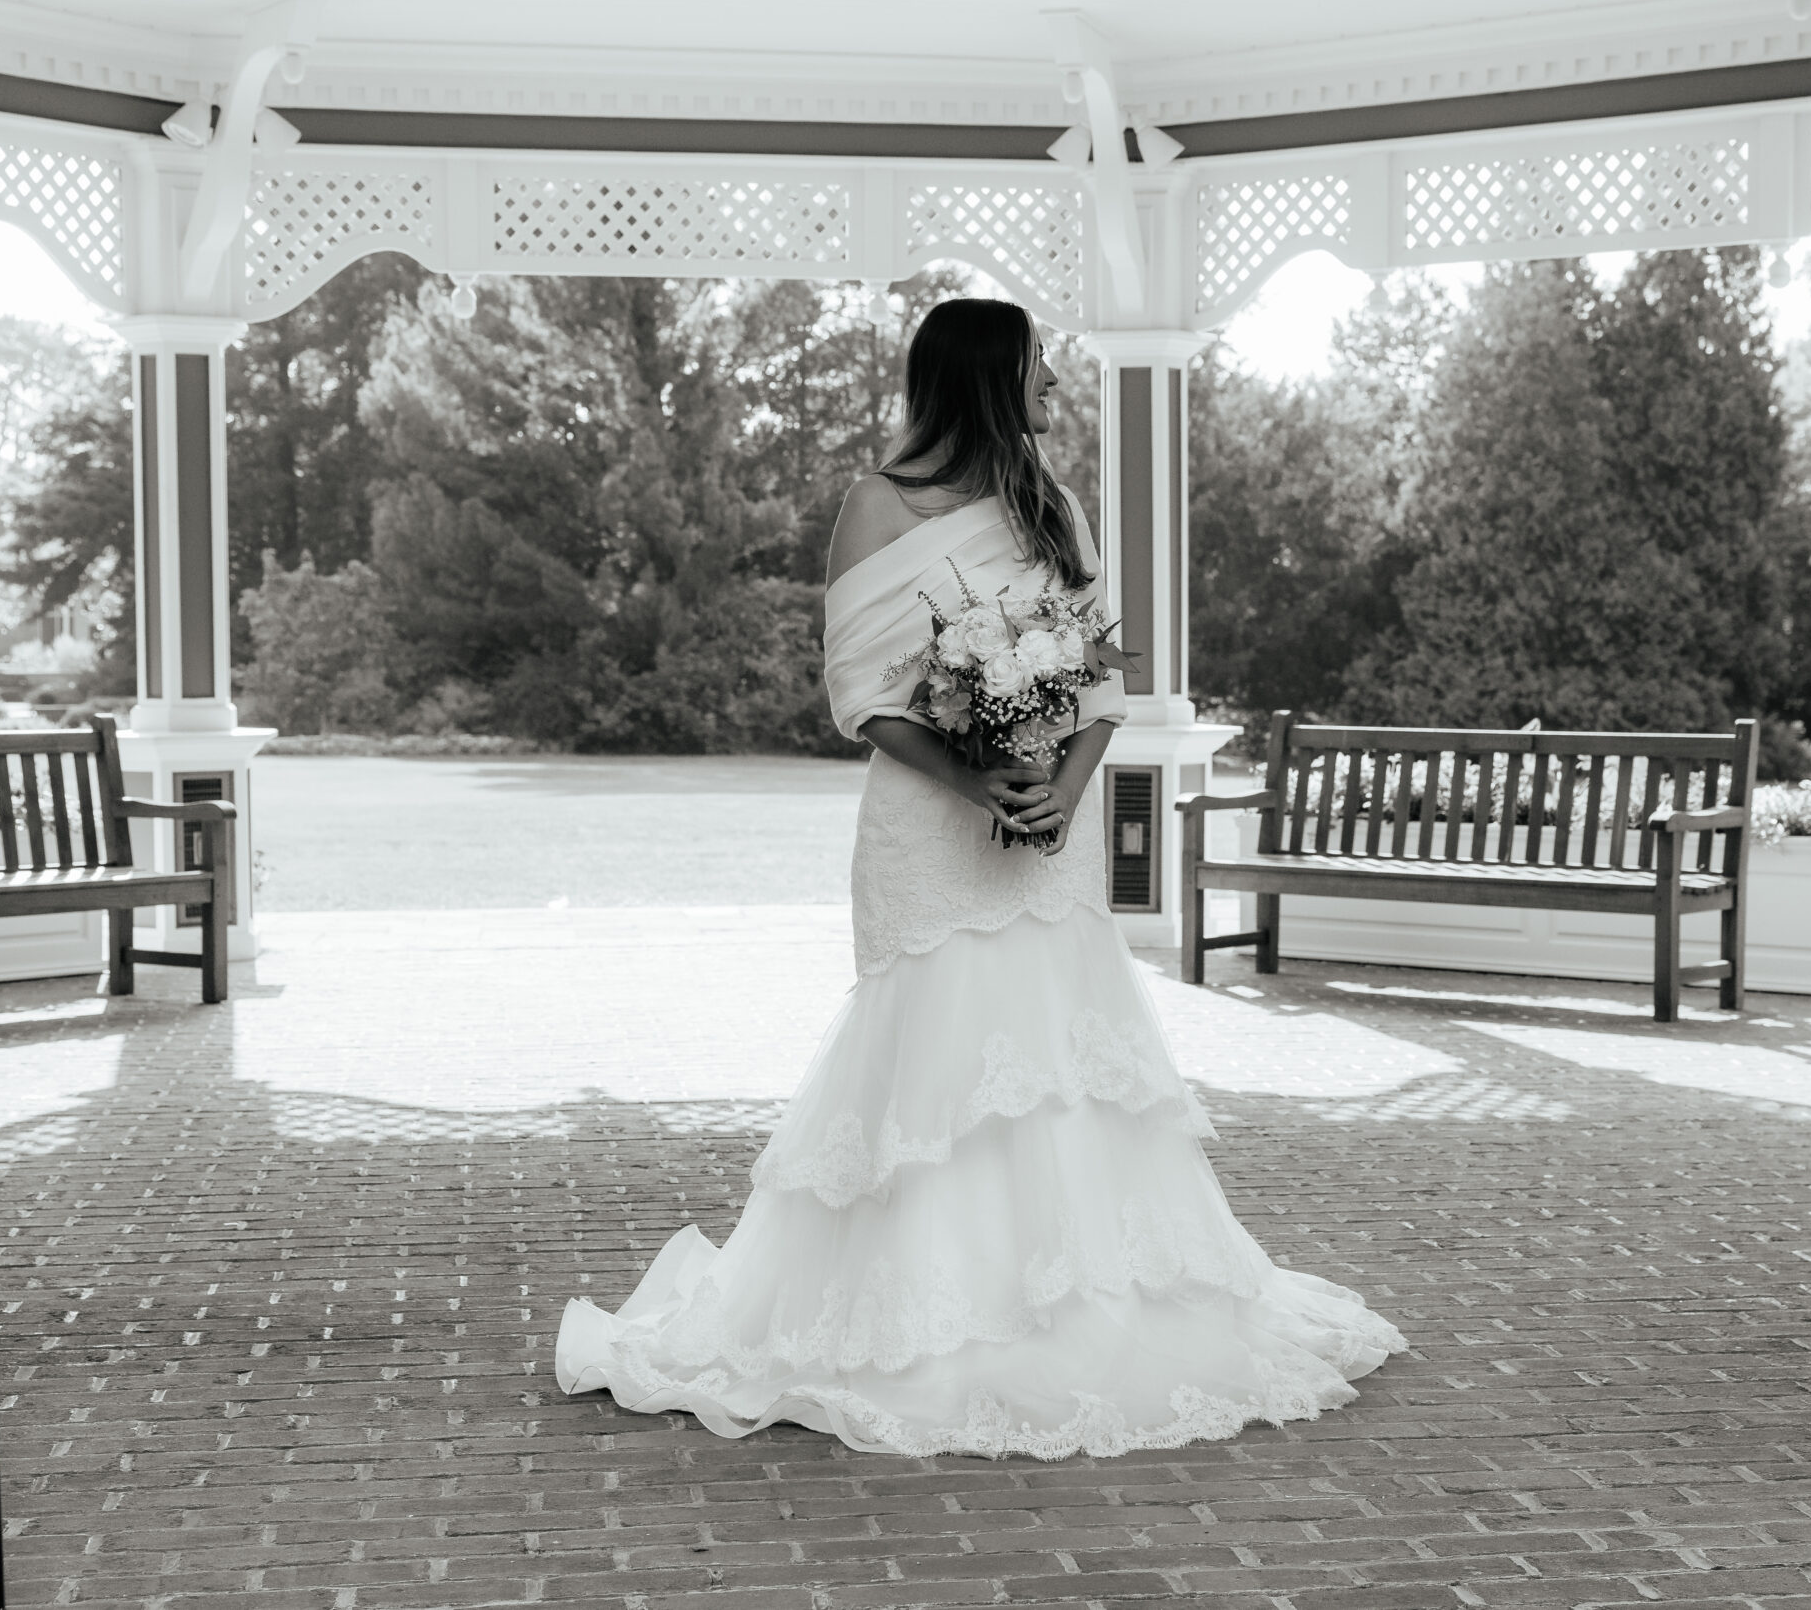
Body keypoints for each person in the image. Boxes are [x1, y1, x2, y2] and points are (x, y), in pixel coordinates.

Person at [554, 297, 1403, 1458]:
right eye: (1037, 374)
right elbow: (863, 698)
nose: (1051, 390)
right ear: (989, 384)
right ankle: (926, 1316)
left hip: (1047, 829)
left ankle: (1065, 1301)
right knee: (929, 1061)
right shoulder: (872, 506)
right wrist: (976, 779)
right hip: (926, 829)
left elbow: (1100, 687)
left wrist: (1059, 785)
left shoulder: (1047, 505)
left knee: (1056, 1061)